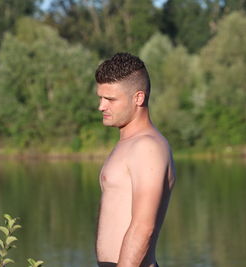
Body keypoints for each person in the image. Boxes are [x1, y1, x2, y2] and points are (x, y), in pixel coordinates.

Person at [95, 53, 176, 267]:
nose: (101, 106)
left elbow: (143, 227)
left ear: (138, 98)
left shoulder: (147, 147)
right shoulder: (128, 144)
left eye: (110, 99)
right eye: (100, 98)